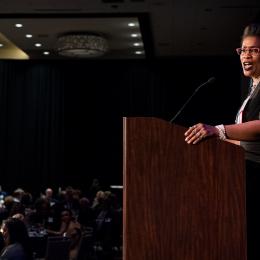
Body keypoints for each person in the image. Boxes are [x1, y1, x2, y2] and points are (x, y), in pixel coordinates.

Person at [184, 23, 260, 260]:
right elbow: (247, 144)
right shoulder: (252, 89)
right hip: (245, 178)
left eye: (254, 50)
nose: (246, 55)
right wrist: (214, 145)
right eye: (243, 50)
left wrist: (218, 131)